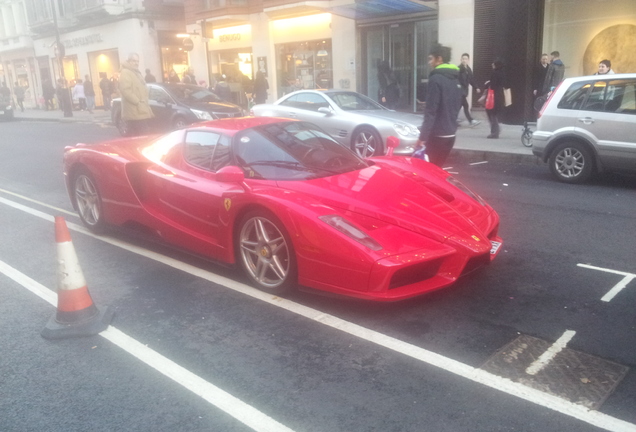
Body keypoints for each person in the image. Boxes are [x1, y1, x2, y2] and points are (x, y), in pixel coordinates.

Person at [415, 44, 462, 167]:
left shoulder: (436, 79)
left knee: (429, 171)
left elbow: (431, 111)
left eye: (431, 59)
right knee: (438, 169)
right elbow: (457, 105)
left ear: (439, 59)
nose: (429, 62)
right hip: (451, 134)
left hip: (437, 135)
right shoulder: (455, 79)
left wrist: (422, 137)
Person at [118, 52, 154, 136]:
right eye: (134, 61)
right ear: (129, 61)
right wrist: (138, 102)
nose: (136, 63)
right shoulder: (126, 72)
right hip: (134, 112)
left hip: (139, 111)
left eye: (137, 61)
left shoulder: (135, 72)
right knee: (141, 137)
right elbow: (125, 90)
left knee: (139, 136)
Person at [484, 58, 506, 139]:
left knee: (491, 113)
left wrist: (487, 83)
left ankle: (495, 132)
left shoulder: (494, 73)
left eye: (493, 64)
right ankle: (496, 130)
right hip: (500, 95)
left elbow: (492, 85)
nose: (492, 65)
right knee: (494, 114)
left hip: (494, 96)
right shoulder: (503, 73)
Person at [457, 53, 481, 127]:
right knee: (466, 106)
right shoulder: (459, 69)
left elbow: (471, 80)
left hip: (464, 91)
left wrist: (476, 87)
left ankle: (452, 120)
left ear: (468, 60)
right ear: (461, 59)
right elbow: (455, 79)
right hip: (459, 92)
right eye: (463, 59)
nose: (464, 60)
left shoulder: (468, 69)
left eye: (466, 59)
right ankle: (471, 121)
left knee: (458, 107)